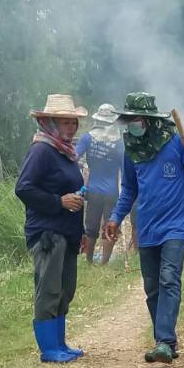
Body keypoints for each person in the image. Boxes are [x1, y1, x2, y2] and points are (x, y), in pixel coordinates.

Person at [103, 92, 184, 364]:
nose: (131, 125)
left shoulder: (178, 142)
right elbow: (129, 189)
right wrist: (116, 217)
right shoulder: (131, 149)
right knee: (152, 286)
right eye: (127, 120)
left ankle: (164, 340)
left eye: (136, 120)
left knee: (168, 278)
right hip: (147, 228)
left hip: (175, 226)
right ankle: (165, 341)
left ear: (150, 120)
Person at [15, 93, 88, 363]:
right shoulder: (42, 150)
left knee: (65, 289)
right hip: (47, 232)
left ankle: (60, 343)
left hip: (66, 233)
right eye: (66, 123)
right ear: (51, 123)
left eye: (74, 123)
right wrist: (59, 202)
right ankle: (49, 350)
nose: (72, 127)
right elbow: (23, 188)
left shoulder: (65, 151)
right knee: (49, 289)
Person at [76, 103, 126, 265]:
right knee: (109, 226)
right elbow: (125, 170)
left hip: (93, 190)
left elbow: (73, 158)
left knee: (91, 227)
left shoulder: (87, 138)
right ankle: (104, 262)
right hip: (112, 191)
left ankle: (89, 261)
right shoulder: (119, 143)